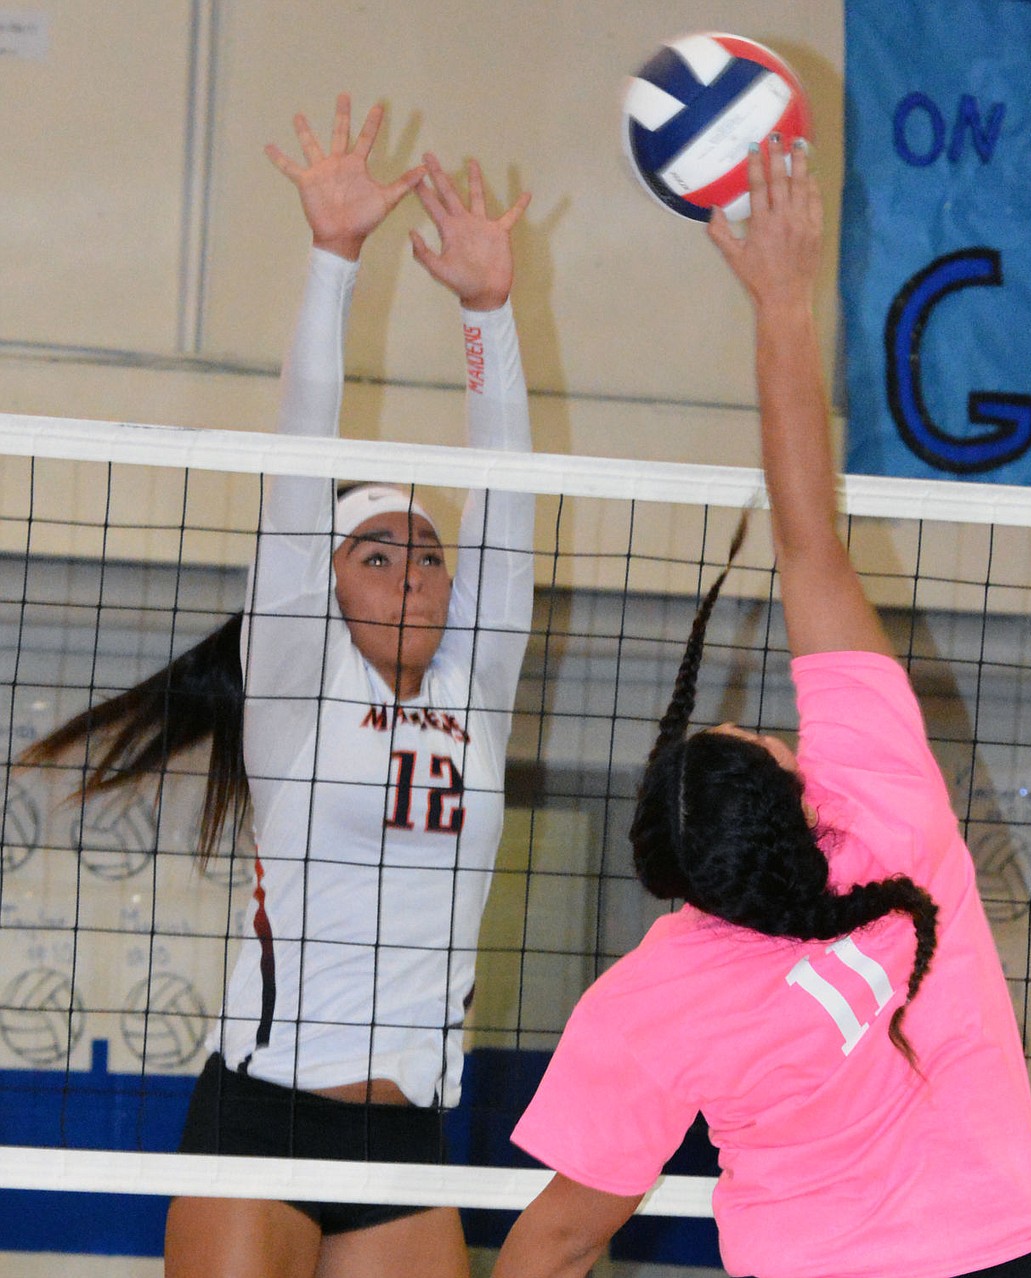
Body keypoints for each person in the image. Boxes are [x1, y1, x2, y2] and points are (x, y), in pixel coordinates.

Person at [489, 141, 1031, 1278]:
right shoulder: (882, 808)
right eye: (775, 739)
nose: (794, 732)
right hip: (1000, 1254)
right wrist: (785, 304)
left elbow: (556, 1239)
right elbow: (808, 541)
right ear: (800, 797)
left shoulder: (652, 995)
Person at [22, 95, 533, 1278]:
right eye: (376, 552)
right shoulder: (299, 693)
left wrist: (490, 313)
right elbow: (296, 476)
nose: (411, 570)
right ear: (330, 587)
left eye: (427, 551)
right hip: (261, 1119)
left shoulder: (478, 689)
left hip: (404, 1132)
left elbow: (516, 501)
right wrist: (332, 261)